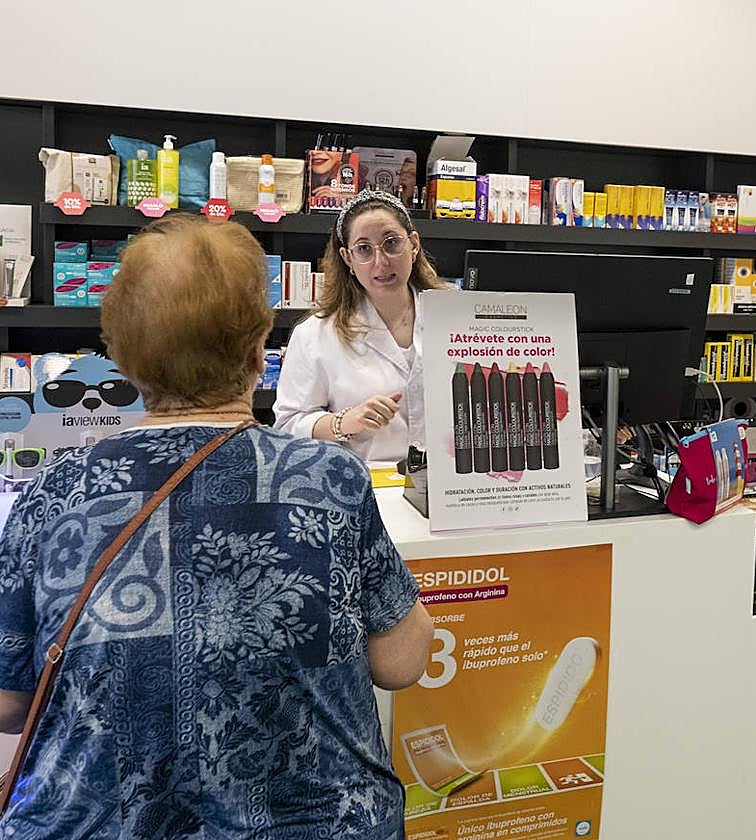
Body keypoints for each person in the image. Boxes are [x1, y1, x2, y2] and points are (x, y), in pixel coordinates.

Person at [0, 215, 434, 838]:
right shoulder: (326, 481)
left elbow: (8, 702)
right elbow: (402, 659)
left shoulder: (55, 491)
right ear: (260, 351)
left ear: (121, 357)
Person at [275, 189, 444, 464]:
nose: (381, 261)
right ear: (348, 258)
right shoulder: (315, 335)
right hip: (363, 489)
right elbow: (287, 426)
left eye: (391, 243)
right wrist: (344, 422)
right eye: (364, 249)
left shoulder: (454, 319)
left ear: (413, 245)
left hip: (451, 488)